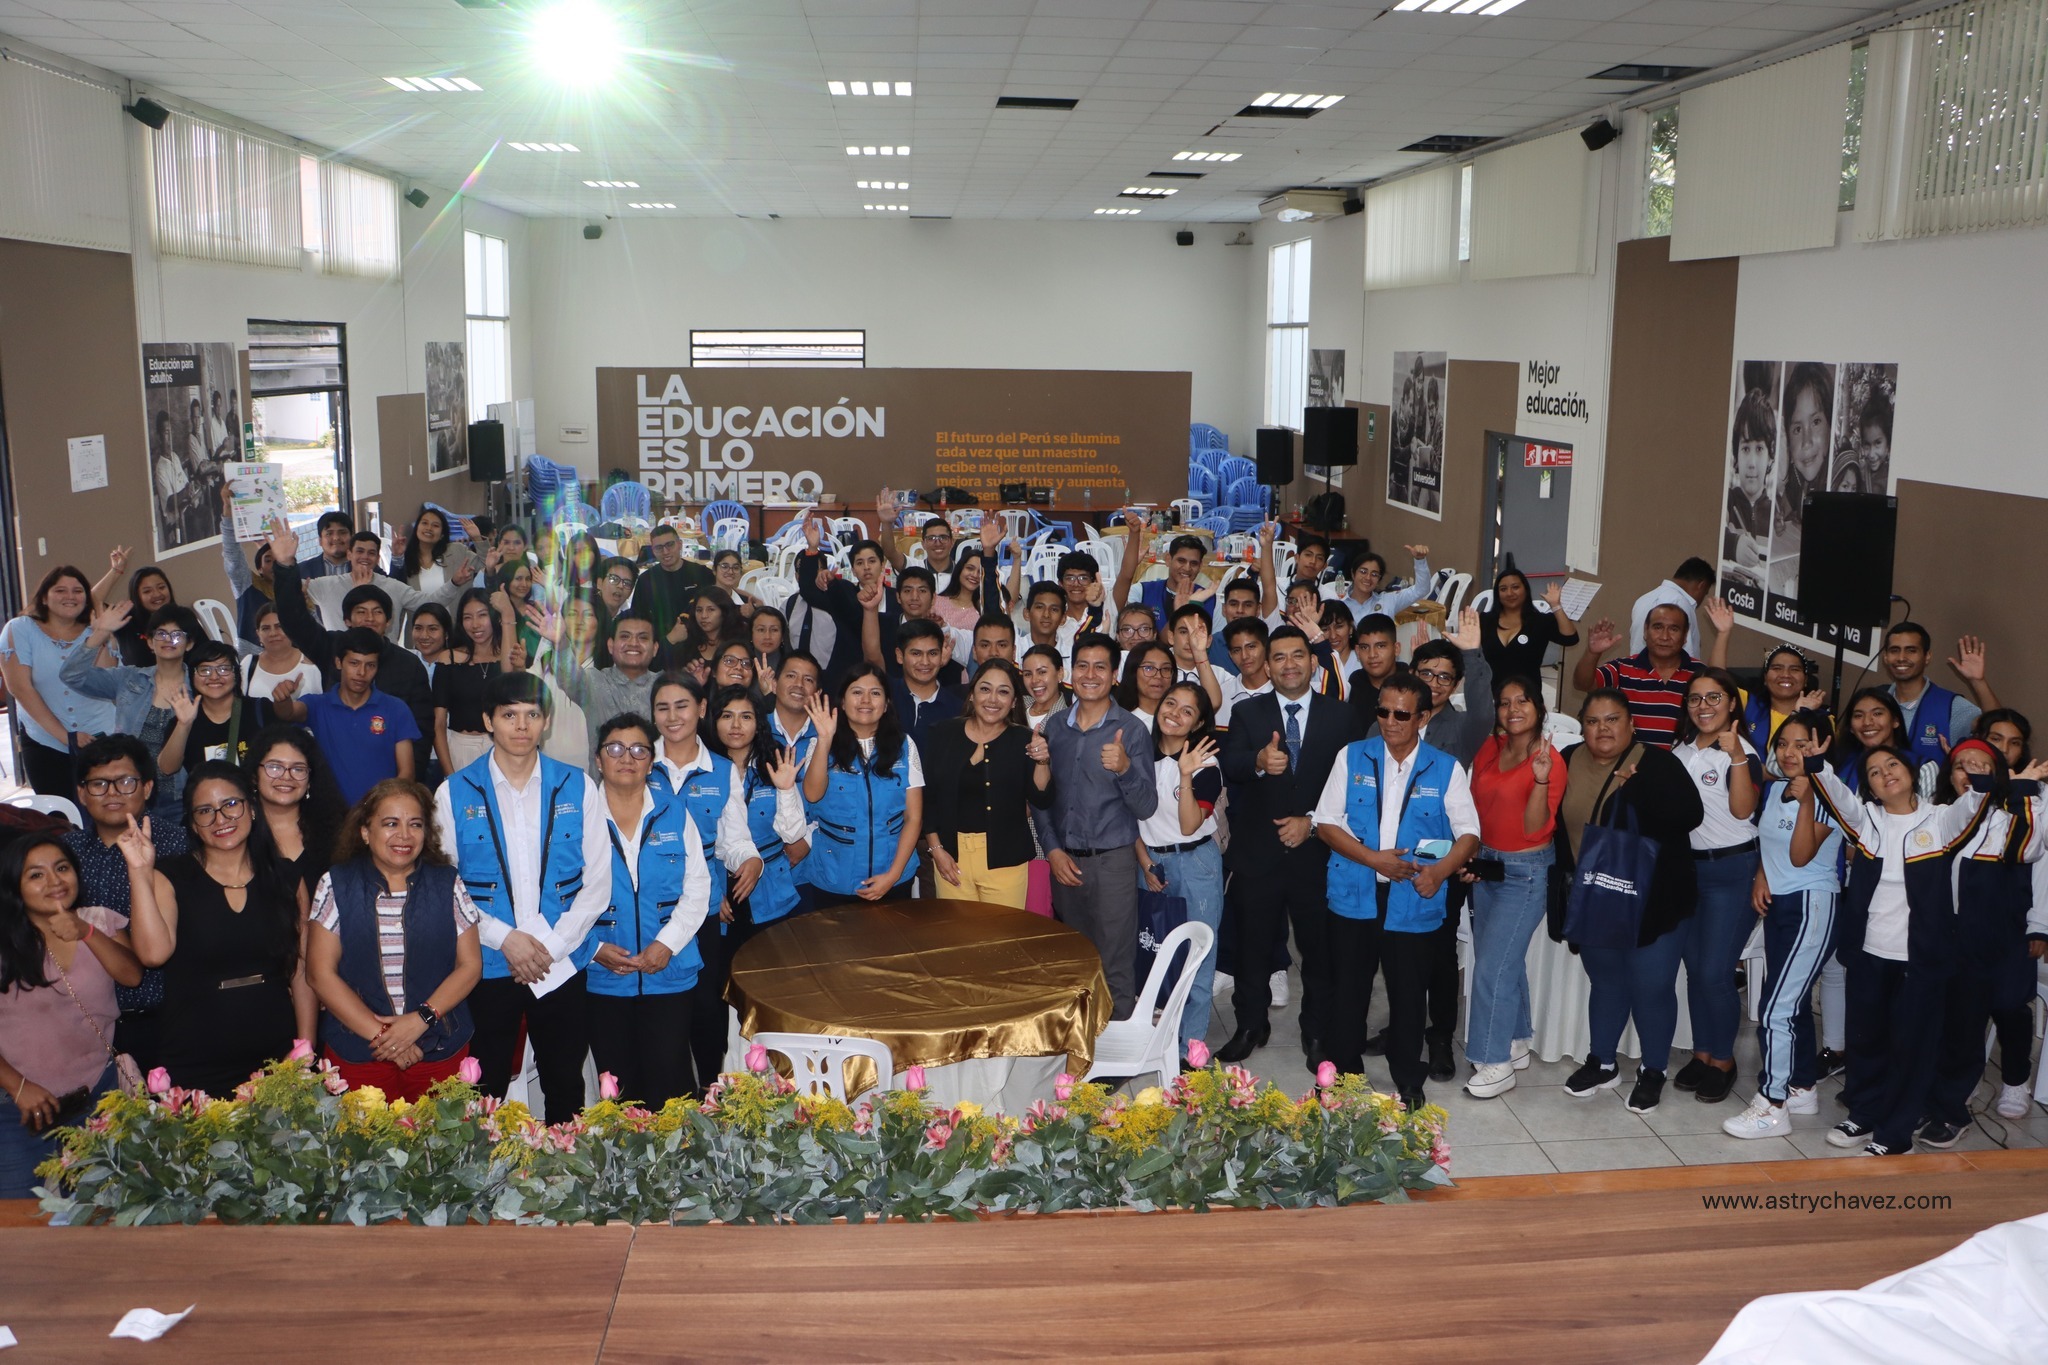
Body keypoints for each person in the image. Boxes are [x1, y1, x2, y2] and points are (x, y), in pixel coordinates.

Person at [1805, 742, 2048, 1155]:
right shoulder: (1867, 821)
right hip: (1869, 953)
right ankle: (1863, 1114)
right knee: (1866, 1040)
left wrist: (2004, 784)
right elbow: (1837, 797)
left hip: (1920, 958)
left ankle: (1895, 1133)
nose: (1886, 774)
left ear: (1913, 773)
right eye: (1875, 772)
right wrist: (1816, 764)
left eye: (1893, 764)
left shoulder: (1939, 821)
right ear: (1870, 788)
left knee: (1911, 1047)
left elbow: (1971, 808)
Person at [433, 672, 611, 1124]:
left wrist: (552, 946)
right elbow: (444, 887)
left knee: (565, 1082)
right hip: (489, 963)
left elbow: (598, 883)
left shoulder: (578, 786)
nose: (521, 726)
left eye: (532, 714)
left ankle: (563, 1164)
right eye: (509, 715)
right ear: (488, 721)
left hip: (561, 962)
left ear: (546, 722)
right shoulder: (453, 792)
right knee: (486, 1084)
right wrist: (505, 939)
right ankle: (485, 1165)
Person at [1314, 671, 1480, 1110]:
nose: (1390, 722)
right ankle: (1344, 1076)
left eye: (1401, 715)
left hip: (1412, 898)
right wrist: (1374, 860)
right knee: (1349, 990)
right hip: (1355, 894)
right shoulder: (1352, 756)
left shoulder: (1445, 768)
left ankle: (1408, 1077)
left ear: (1422, 717)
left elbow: (1469, 834)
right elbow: (1325, 823)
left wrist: (1439, 873)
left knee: (1409, 995)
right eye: (1383, 712)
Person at [123, 761, 316, 1094]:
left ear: (251, 808)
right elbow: (153, 954)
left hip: (276, 1051)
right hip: (195, 1055)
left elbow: (302, 969)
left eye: (231, 804)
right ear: (193, 824)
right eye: (205, 811)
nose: (220, 819)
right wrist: (139, 873)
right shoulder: (170, 876)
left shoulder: (286, 878)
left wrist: (305, 1048)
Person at [1555, 690, 1705, 1115]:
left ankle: (1653, 1070)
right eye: (1592, 721)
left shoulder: (1657, 763)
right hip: (1595, 895)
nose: (1602, 729)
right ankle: (1602, 1063)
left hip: (1655, 899)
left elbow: (1689, 815)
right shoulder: (1567, 759)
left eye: (1612, 719)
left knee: (1651, 985)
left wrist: (1637, 790)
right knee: (1606, 981)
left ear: (1631, 724)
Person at [1217, 625, 1359, 1064]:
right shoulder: (1247, 712)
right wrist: (1258, 761)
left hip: (1318, 856)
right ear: (1267, 665)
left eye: (1297, 655)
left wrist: (1312, 823)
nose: (1289, 664)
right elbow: (1230, 763)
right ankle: (1250, 1025)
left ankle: (1316, 1032)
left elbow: (1354, 787)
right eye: (1278, 657)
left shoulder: (1342, 716)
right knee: (1252, 949)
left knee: (1319, 952)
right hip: (1258, 855)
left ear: (1313, 662)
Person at [306, 779, 482, 1101]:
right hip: (359, 1051)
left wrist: (421, 1020)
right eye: (390, 823)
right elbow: (319, 974)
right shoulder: (336, 883)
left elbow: (470, 966)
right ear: (365, 831)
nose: (404, 835)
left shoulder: (447, 882)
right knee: (363, 1135)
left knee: (443, 1135)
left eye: (415, 824)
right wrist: (387, 1037)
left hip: (439, 1047)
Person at [0, 833, 144, 1197]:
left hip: (98, 1093)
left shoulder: (99, 920)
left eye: (62, 868)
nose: (54, 881)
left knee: (103, 1211)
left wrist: (86, 932)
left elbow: (131, 976)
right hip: (18, 1107)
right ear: (14, 884)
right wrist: (17, 1086)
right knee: (19, 1219)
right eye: (36, 874)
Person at [1723, 711, 1841, 1138]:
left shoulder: (1830, 793)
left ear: (1822, 747)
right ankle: (1801, 1087)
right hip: (1780, 906)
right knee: (1791, 1002)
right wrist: (1761, 875)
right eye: (1784, 744)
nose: (1791, 753)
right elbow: (1769, 844)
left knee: (1776, 1008)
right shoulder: (1775, 789)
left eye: (1802, 745)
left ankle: (1772, 1104)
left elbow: (1800, 855)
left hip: (1812, 904)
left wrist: (1808, 799)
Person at [584, 713, 712, 1107]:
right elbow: (559, 897)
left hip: (668, 972)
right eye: (615, 748)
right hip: (604, 974)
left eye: (639, 749)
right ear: (598, 759)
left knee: (671, 1083)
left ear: (651, 761)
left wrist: (667, 943)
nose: (627, 757)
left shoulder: (674, 811)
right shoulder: (580, 819)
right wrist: (593, 949)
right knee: (618, 1089)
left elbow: (698, 887)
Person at [1921, 740, 2044, 1144]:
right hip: (1951, 937)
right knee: (1953, 1023)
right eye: (1962, 765)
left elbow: (2029, 850)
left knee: (2000, 1010)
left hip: (1999, 936)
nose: (1971, 772)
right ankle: (1944, 1099)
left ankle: (1992, 1089)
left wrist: (2023, 793)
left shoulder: (2012, 817)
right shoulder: (1938, 814)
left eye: (1982, 765)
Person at [1031, 634, 1156, 1018]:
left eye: (1100, 667)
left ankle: (1119, 1043)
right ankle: (1082, 1042)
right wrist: (1052, 850)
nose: (1090, 674)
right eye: (1082, 666)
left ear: (1115, 675)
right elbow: (1042, 799)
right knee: (1075, 962)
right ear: (1070, 673)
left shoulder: (1131, 730)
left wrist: (1125, 768)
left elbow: (1146, 806)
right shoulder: (1054, 728)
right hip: (1064, 863)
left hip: (1113, 863)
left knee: (1115, 962)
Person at [648, 673, 763, 1089]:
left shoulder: (721, 770)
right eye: (662, 708)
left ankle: (711, 1094)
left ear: (701, 709)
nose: (672, 716)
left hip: (704, 911)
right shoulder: (638, 761)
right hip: (646, 907)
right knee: (659, 1007)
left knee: (706, 1008)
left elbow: (734, 838)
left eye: (682, 706)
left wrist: (751, 859)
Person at [1461, 677, 1565, 1099]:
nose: (1513, 709)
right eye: (1504, 703)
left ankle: (1495, 1062)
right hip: (1487, 864)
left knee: (1492, 968)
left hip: (1526, 872)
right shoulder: (1490, 747)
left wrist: (1540, 780)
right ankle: (1516, 1040)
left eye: (1522, 700)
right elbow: (1477, 807)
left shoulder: (1549, 760)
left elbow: (1533, 828)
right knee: (1503, 960)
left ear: (1538, 708)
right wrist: (1471, 857)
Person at [63, 736, 189, 1068]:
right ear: (81, 794)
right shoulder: (64, 855)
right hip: (87, 1023)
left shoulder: (180, 846)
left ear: (147, 788)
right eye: (99, 784)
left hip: (170, 1015)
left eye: (126, 782)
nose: (113, 793)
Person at [1670, 667, 1763, 1105]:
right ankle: (1703, 1053)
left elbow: (1743, 811)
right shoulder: (1681, 750)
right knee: (1694, 969)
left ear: (1731, 704)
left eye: (1713, 698)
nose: (1703, 706)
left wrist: (1737, 756)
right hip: (1688, 871)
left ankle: (1724, 1060)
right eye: (1695, 698)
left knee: (1714, 971)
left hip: (1732, 870)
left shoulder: (1743, 751)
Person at [267, 521, 435, 746]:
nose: (369, 618)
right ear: (347, 620)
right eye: (361, 612)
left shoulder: (408, 665)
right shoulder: (330, 648)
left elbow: (421, 727)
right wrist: (285, 565)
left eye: (377, 612)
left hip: (392, 763)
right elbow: (294, 621)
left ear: (388, 621)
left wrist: (408, 768)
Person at [920, 659, 1052, 909]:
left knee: (1001, 934)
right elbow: (929, 799)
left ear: (1013, 702)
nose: (993, 699)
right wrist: (936, 849)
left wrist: (1043, 761)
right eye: (985, 689)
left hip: (1006, 861)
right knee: (958, 932)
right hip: (950, 857)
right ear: (972, 694)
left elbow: (1042, 798)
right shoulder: (943, 733)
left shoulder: (1026, 740)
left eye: (1003, 692)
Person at [1137, 681, 1224, 1057]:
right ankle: (1157, 1041)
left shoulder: (1206, 764)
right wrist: (1145, 862)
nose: (1174, 713)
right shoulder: (1139, 756)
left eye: (1187, 710)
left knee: (1197, 956)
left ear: (1198, 722)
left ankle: (1190, 1051)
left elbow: (1189, 825)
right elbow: (1128, 818)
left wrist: (1185, 775)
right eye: (1170, 703)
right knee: (1155, 951)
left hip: (1195, 863)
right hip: (1150, 862)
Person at [61, 600, 204, 813]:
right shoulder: (129, 679)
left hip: (180, 798)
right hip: (129, 792)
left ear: (189, 643)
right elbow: (71, 675)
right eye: (161, 634)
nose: (168, 640)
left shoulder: (201, 686)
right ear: (150, 642)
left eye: (177, 635)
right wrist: (100, 634)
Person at [801, 664, 924, 904]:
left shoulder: (905, 745)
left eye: (875, 693)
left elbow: (914, 817)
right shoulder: (820, 743)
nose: (866, 700)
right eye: (857, 692)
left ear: (886, 704)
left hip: (893, 875)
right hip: (834, 877)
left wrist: (893, 875)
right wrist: (825, 739)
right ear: (843, 702)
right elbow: (812, 795)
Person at [0, 566, 118, 796]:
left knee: (106, 809)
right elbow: (20, 688)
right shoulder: (20, 629)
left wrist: (101, 635)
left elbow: (105, 683)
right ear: (44, 597)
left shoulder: (97, 630)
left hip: (101, 738)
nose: (70, 596)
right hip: (45, 742)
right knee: (59, 813)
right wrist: (66, 737)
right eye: (60, 590)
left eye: (78, 591)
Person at [707, 685, 808, 946]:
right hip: (717, 883)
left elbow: (793, 834)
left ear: (758, 723)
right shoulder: (702, 772)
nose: (736, 725)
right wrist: (710, 893)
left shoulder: (776, 765)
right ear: (714, 721)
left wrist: (786, 789)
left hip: (771, 887)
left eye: (746, 716)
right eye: (727, 716)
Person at [274, 628, 420, 803]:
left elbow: (407, 773)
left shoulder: (396, 709)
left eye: (370, 665)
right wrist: (282, 698)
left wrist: (382, 807)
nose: (361, 672)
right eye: (354, 663)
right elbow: (289, 713)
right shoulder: (318, 705)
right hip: (330, 813)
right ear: (338, 663)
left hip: (378, 812)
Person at [1571, 602, 1699, 749]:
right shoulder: (1622, 668)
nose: (1665, 636)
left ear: (1685, 635)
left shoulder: (1698, 674)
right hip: (1630, 760)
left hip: (1680, 761)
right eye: (1657, 627)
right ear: (1645, 631)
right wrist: (1592, 653)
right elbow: (1582, 684)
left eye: (1674, 629)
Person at [305, 531, 474, 640]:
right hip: (343, 668)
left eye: (371, 553)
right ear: (349, 554)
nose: (365, 557)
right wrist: (288, 561)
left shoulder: (393, 587)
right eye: (359, 551)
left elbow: (429, 602)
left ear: (378, 558)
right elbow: (292, 589)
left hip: (387, 664)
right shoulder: (326, 585)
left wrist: (454, 583)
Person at [543, 610, 661, 765]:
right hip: (602, 780)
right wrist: (561, 643)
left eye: (643, 637)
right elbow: (570, 676)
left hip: (655, 779)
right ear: (610, 645)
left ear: (655, 648)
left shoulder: (665, 686)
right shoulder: (593, 682)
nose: (633, 643)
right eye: (625, 636)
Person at [243, 723, 347, 899]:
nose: (286, 776)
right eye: (274, 767)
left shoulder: (339, 832)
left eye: (298, 769)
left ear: (310, 780)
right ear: (254, 775)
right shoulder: (238, 830)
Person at [1881, 623, 1999, 769]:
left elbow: (1999, 728)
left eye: (1911, 650)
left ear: (1927, 656)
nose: (1901, 657)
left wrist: (1978, 682)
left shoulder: (1951, 706)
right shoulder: (1875, 702)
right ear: (1885, 657)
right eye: (1894, 650)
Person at [792, 515, 890, 684]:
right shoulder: (845, 593)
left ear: (883, 564)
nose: (866, 567)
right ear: (853, 570)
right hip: (851, 677)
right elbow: (809, 592)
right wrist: (813, 549)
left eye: (872, 561)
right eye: (860, 563)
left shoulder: (899, 597)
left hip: (893, 675)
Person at [158, 639, 266, 780]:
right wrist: (184, 724)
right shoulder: (184, 719)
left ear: (236, 674)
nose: (214, 677)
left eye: (223, 669)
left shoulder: (259, 709)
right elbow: (167, 768)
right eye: (205, 670)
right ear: (193, 676)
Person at [432, 589, 514, 775]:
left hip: (502, 746)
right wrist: (449, 775)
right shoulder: (448, 658)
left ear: (495, 617)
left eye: (482, 615)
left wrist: (508, 613)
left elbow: (510, 678)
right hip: (461, 747)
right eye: (467, 617)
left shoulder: (507, 658)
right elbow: (438, 723)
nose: (475, 624)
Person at [1709, 633, 1826, 749]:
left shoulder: (1821, 719)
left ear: (1805, 680)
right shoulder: (1749, 704)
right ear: (1765, 678)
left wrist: (1802, 712)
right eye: (1777, 668)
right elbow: (1716, 682)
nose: (1785, 675)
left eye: (1794, 669)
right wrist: (1723, 633)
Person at [1479, 571, 1580, 691]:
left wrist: (1556, 605)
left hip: (1527, 695)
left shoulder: (1540, 622)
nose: (1509, 593)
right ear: (1497, 594)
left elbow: (1570, 638)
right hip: (1488, 694)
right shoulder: (1484, 620)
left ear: (1525, 590)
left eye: (1515, 587)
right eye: (1503, 589)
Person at [879, 616, 965, 749]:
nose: (925, 662)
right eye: (916, 654)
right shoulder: (883, 696)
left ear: (942, 656)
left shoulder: (958, 709)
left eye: (933, 653)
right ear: (900, 656)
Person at [628, 522, 713, 644]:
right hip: (660, 645)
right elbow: (637, 619)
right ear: (653, 551)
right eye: (659, 548)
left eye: (670, 545)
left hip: (699, 642)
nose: (665, 551)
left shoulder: (702, 573)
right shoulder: (646, 580)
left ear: (679, 544)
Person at [1723, 392, 1776, 587]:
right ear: (1736, 456)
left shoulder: (1776, 517)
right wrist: (1733, 545)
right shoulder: (1727, 501)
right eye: (1745, 449)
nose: (1752, 463)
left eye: (1759, 449)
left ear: (1770, 456)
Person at [1626, 556, 1713, 657]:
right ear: (1701, 585)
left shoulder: (1642, 599)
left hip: (1637, 665)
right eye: (1705, 593)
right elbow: (1686, 656)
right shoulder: (1680, 604)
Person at [240, 604, 323, 704]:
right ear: (258, 634)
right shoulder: (248, 663)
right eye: (266, 628)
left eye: (279, 626)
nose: (273, 633)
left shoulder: (312, 661)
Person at [394, 506, 482, 595]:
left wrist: (477, 539)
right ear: (416, 528)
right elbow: (394, 590)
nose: (429, 528)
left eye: (435, 525)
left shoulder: (457, 551)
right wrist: (397, 557)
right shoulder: (406, 558)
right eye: (424, 523)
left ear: (442, 535)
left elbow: (485, 565)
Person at [1336, 544, 1431, 625]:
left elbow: (1421, 590)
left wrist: (1420, 560)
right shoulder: (1339, 604)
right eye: (1363, 572)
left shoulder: (1388, 601)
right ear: (1353, 574)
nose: (1368, 577)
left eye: (1374, 574)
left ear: (1379, 580)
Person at [1343, 613, 1402, 731]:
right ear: (1357, 652)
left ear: (1396, 649)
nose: (1372, 655)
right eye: (1365, 647)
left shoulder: (1412, 683)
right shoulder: (1354, 685)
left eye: (1380, 646)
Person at [111, 565, 176, 667]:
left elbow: (200, 653)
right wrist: (115, 570)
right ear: (137, 596)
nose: (157, 594)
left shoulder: (183, 617)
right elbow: (91, 601)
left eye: (161, 587)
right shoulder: (126, 620)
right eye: (147, 591)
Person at [1215, 618, 1272, 729]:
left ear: (1266, 647)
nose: (1244, 656)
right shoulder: (1221, 695)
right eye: (1236, 650)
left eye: (1251, 647)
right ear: (1230, 655)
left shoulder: (1283, 692)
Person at [1115, 640, 1177, 734]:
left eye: (1166, 669)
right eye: (1149, 668)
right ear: (1133, 672)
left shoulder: (1180, 719)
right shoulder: (1122, 723)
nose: (1158, 676)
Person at [1020, 642, 1071, 730]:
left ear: (1060, 673)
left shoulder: (1067, 722)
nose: (1034, 680)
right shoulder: (1015, 705)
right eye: (1028, 674)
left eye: (1042, 672)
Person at [299, 510, 355, 579]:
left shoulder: (365, 566)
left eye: (342, 532)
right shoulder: (302, 570)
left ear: (352, 538)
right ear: (320, 540)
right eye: (329, 534)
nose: (336, 538)